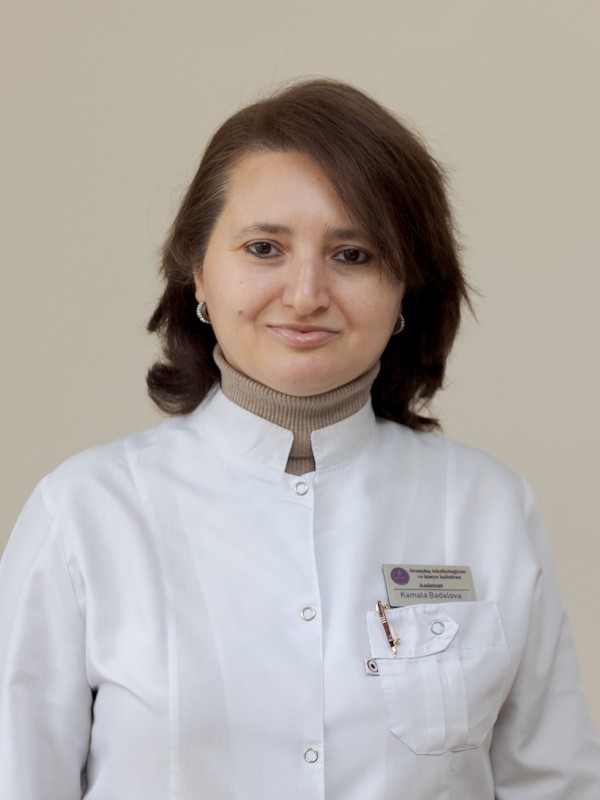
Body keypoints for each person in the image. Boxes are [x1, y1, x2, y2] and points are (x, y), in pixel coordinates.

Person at [0, 79, 599, 799]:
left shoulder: (486, 507)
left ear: (406, 286)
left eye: (354, 255)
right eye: (264, 248)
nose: (306, 294)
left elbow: (556, 785)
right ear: (198, 273)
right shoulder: (85, 513)